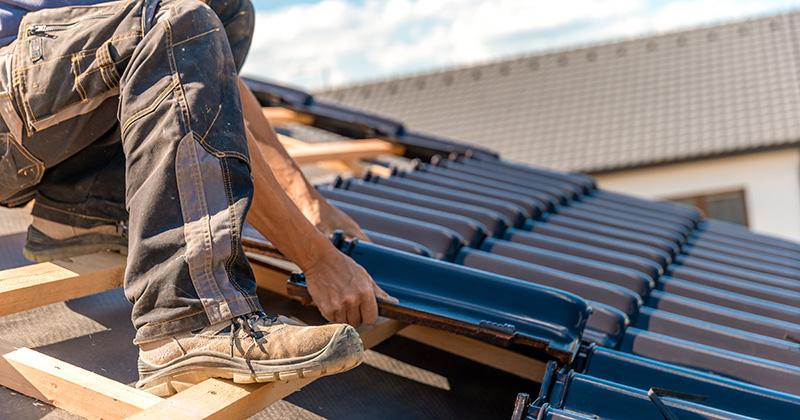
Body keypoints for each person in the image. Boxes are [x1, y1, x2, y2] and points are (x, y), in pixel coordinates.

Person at [0, 0, 396, 396]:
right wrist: (317, 260)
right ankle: (189, 318)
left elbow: (208, 81)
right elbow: (179, 45)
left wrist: (308, 201)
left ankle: (80, 207)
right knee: (181, 23)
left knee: (227, 12)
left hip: (38, 109)